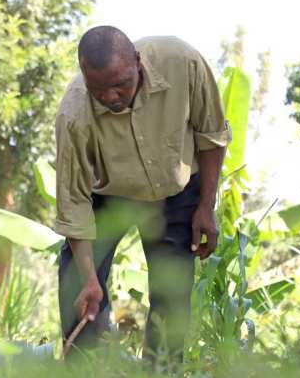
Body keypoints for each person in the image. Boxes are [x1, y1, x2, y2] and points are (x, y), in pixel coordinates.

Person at [55, 26, 230, 364]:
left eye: (120, 84)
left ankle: (161, 370)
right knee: (77, 288)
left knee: (172, 297)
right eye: (98, 90)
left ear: (138, 62)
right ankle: (83, 370)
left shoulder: (183, 63)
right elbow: (74, 204)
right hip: (107, 193)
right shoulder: (74, 114)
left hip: (175, 189)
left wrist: (206, 207)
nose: (110, 97)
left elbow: (211, 135)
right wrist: (90, 279)